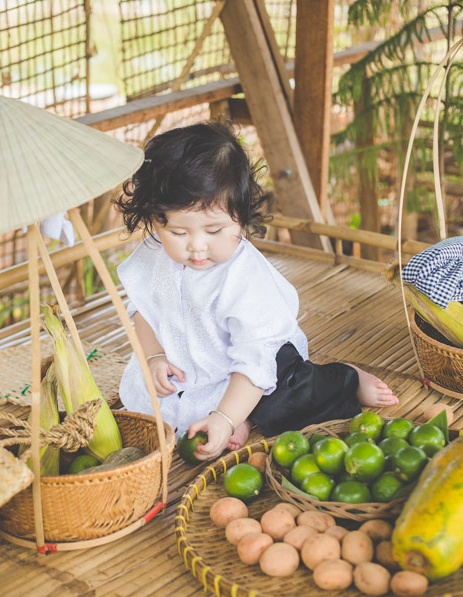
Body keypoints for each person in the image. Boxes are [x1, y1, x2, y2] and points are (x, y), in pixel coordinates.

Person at [115, 120, 398, 462]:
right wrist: (154, 356)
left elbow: (254, 358)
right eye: (178, 232)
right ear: (155, 220)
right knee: (152, 401)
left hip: (259, 360)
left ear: (241, 214)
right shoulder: (154, 256)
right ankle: (240, 416)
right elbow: (144, 310)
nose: (198, 247)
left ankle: (346, 379)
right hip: (191, 366)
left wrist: (222, 418)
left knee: (287, 403)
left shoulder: (245, 279)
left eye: (215, 229)